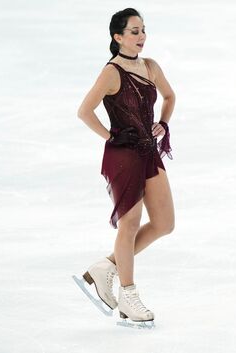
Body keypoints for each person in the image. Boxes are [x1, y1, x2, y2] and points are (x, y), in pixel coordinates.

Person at [76, 8, 176, 323]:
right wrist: (110, 136)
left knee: (164, 223)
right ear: (117, 37)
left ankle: (106, 266)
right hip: (123, 154)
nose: (141, 36)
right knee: (129, 225)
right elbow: (84, 111)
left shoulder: (151, 66)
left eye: (143, 30)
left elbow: (170, 97)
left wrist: (163, 122)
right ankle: (128, 296)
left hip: (148, 151)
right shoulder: (112, 72)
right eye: (134, 31)